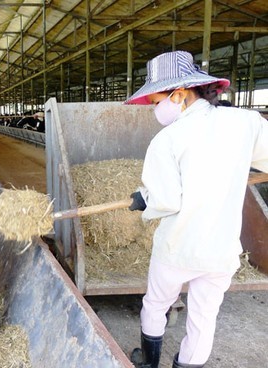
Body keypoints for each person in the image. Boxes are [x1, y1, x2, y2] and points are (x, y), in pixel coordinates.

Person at [124, 50, 268, 367]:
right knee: (204, 317)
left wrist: (143, 200)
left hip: (178, 247)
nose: (154, 109)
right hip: (222, 251)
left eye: (155, 100)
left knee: (155, 303)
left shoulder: (168, 140)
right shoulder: (245, 122)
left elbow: (167, 201)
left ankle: (148, 363)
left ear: (180, 93)